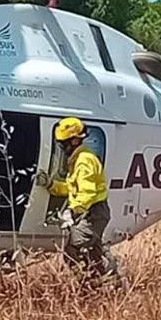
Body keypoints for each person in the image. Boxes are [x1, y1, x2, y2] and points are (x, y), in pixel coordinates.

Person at [37, 116, 116, 279]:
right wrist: (51, 184)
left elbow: (87, 193)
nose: (61, 146)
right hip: (92, 212)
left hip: (94, 213)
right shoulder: (78, 160)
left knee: (73, 248)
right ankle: (106, 280)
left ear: (73, 141)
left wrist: (72, 212)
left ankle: (87, 282)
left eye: (63, 143)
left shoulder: (84, 161)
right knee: (94, 253)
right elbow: (72, 188)